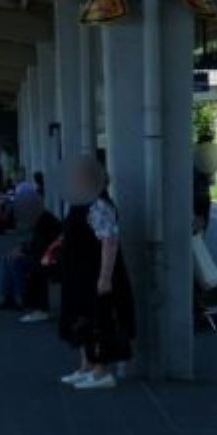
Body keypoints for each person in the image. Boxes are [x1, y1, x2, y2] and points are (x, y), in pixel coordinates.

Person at [56, 156, 135, 390]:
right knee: (81, 317)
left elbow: (109, 241)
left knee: (99, 320)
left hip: (95, 272)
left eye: (80, 177)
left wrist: (105, 277)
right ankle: (86, 366)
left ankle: (102, 372)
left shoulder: (99, 204)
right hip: (79, 273)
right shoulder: (79, 203)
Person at [0, 192, 61, 322]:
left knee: (16, 261)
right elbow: (37, 245)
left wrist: (24, 251)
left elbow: (41, 248)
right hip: (44, 255)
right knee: (9, 257)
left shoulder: (45, 222)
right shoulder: (41, 218)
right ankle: (9, 297)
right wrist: (23, 249)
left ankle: (21, 298)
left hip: (48, 259)